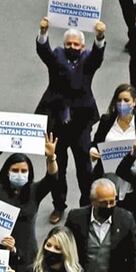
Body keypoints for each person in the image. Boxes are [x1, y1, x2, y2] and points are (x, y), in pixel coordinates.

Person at [35, 16, 107, 220]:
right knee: (58, 165)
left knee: (85, 167)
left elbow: (98, 56)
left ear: (83, 46)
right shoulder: (56, 56)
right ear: (63, 44)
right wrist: (43, 32)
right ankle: (59, 205)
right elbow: (44, 51)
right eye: (69, 44)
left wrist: (100, 36)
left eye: (76, 44)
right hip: (56, 120)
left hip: (81, 122)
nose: (72, 47)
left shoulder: (88, 59)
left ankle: (86, 205)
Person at [0, 136, 58, 270]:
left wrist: (51, 158)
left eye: (24, 171)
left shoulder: (35, 191)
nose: (20, 174)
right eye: (15, 170)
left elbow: (52, 178)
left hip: (26, 250)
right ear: (7, 172)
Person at [65, 178, 136, 272]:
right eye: (104, 203)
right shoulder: (76, 218)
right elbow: (66, 245)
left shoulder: (126, 219)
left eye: (112, 201)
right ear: (93, 201)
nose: (109, 206)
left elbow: (133, 253)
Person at [87, 85, 136, 188]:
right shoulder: (106, 120)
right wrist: (92, 150)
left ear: (134, 102)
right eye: (119, 100)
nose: (122, 103)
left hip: (131, 180)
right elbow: (95, 143)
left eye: (126, 100)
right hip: (107, 178)